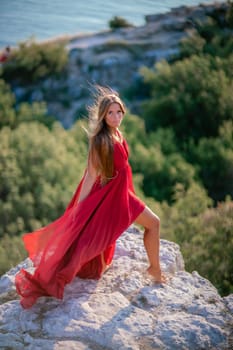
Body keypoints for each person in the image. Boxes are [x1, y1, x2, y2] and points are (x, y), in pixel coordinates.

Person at [15, 86, 166, 309]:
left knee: (153, 224)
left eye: (119, 112)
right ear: (103, 116)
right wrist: (80, 208)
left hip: (122, 195)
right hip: (108, 198)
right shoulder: (100, 141)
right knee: (93, 240)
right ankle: (154, 270)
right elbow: (90, 176)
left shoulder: (118, 134)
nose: (116, 117)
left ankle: (154, 268)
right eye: (110, 113)